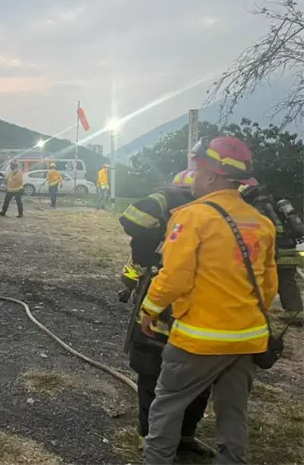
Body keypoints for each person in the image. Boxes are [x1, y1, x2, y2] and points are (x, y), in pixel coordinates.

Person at [142, 136, 278, 465]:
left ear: (213, 176)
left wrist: (149, 309)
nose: (193, 176)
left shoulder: (192, 217)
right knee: (233, 411)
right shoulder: (261, 223)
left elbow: (175, 277)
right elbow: (269, 286)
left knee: (167, 405)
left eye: (197, 169)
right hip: (248, 337)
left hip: (199, 337)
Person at [118, 168, 215, 460]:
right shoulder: (168, 220)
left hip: (190, 310)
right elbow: (132, 219)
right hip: (167, 306)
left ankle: (183, 437)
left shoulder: (215, 218)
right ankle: (151, 437)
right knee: (154, 375)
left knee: (193, 379)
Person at [239, 182, 304, 325]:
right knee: (287, 280)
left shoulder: (258, 207)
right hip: (289, 246)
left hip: (277, 248)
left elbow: (259, 231)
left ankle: (262, 312)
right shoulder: (274, 204)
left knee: (265, 279)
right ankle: (296, 313)